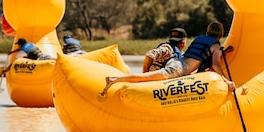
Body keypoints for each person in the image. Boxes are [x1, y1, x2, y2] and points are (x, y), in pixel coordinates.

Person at [98, 22, 233, 98]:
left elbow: (199, 55)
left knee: (149, 78)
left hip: (177, 62)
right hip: (180, 68)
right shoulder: (215, 45)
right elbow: (215, 64)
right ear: (220, 35)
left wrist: (224, 52)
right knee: (146, 78)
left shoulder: (199, 39)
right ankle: (114, 79)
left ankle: (117, 80)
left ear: (207, 32)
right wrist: (226, 81)